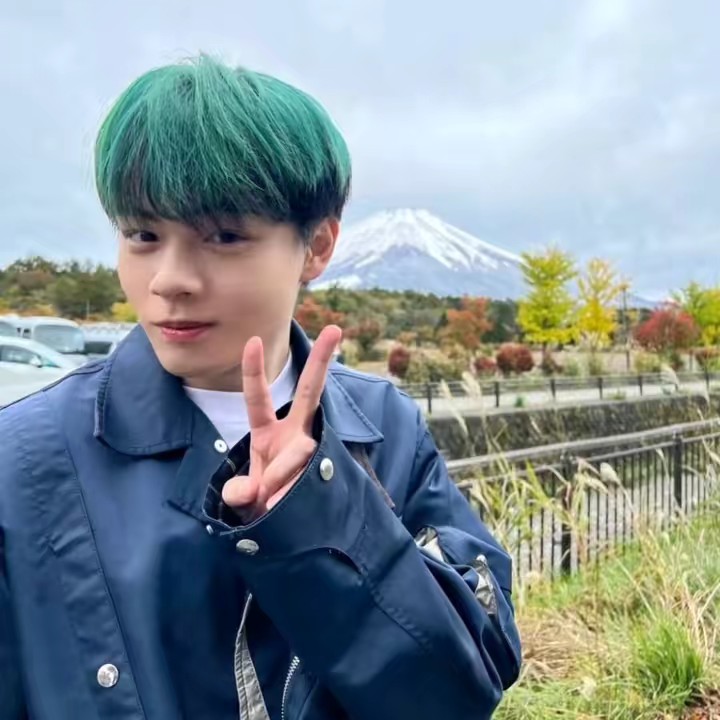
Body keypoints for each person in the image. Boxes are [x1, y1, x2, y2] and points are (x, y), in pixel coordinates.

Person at [0, 56, 521, 720]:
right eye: (143, 234)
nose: (169, 279)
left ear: (317, 246)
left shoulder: (381, 425)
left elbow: (458, 690)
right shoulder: (26, 455)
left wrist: (320, 517)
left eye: (224, 236)